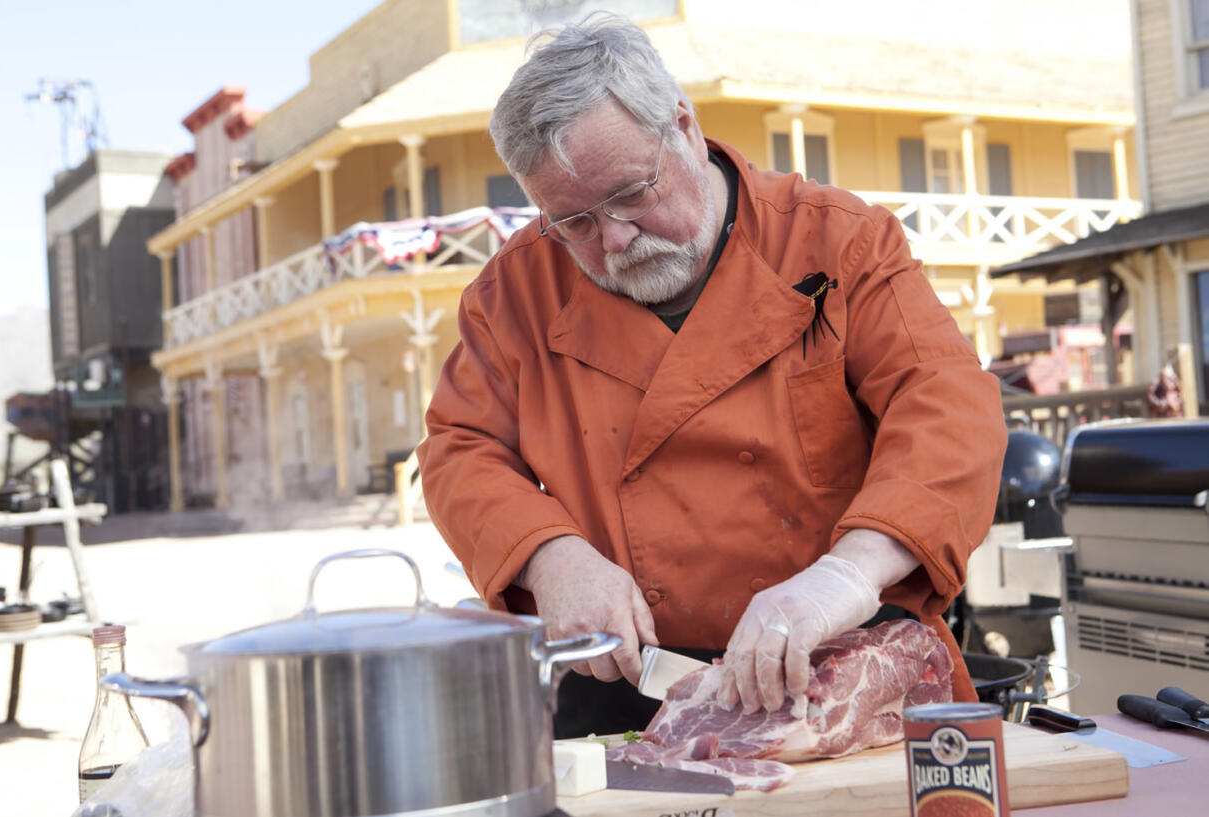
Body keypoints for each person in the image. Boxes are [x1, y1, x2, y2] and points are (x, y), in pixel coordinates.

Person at [417, 12, 1007, 738]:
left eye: (632, 194)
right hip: (629, 685)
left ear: (685, 129)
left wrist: (845, 576)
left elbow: (950, 411)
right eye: (573, 223)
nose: (615, 240)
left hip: (846, 670)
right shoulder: (513, 294)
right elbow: (457, 450)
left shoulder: (839, 240)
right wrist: (551, 556)